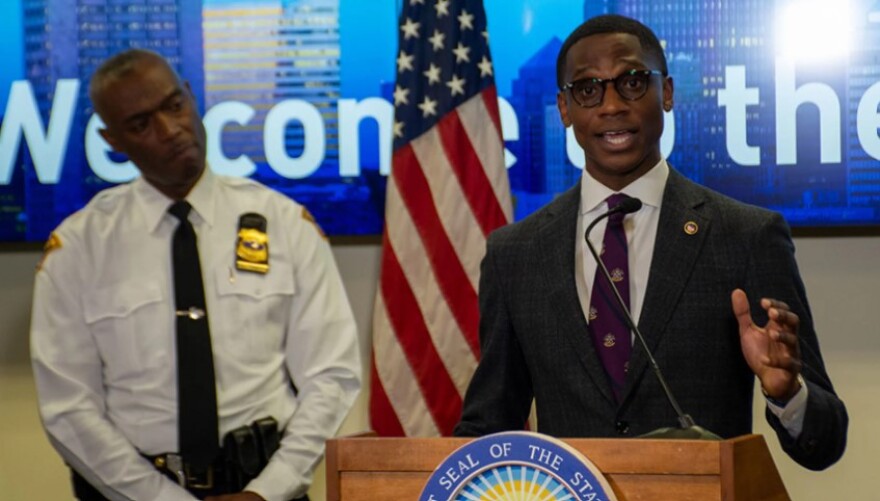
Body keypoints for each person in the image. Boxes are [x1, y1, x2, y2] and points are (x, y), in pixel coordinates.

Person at [454, 14, 847, 470]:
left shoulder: (746, 236)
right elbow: (488, 425)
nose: (611, 105)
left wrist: (788, 392)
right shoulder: (516, 253)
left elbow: (826, 441)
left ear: (667, 93)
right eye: (588, 89)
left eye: (632, 82)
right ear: (564, 109)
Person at [30, 49, 362, 500]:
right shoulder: (78, 249)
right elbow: (70, 408)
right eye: (141, 124)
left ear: (190, 96)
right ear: (113, 141)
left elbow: (331, 375)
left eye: (173, 105)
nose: (171, 130)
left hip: (265, 487)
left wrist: (267, 491)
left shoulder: (284, 224)